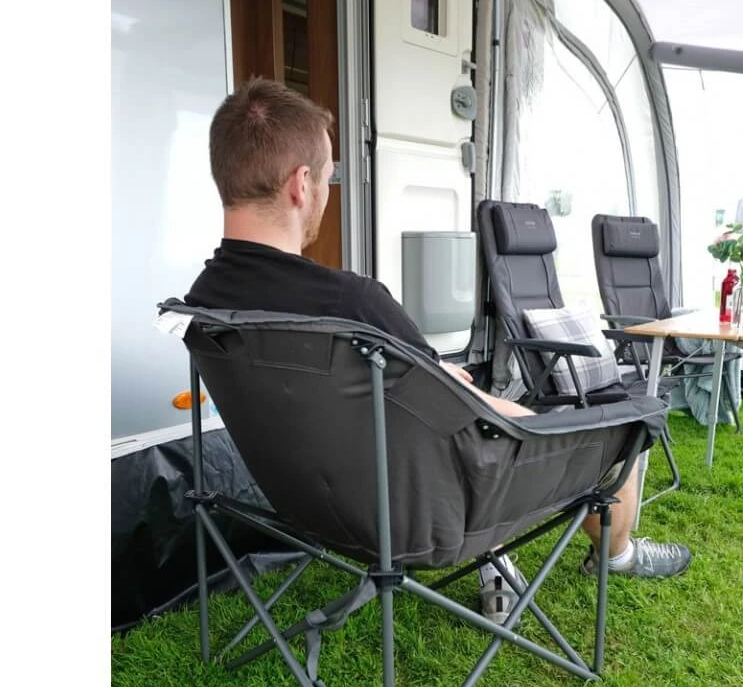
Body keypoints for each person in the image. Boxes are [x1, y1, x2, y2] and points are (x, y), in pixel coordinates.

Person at [185, 79, 691, 621]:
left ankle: (503, 560)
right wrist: (536, 421)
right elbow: (467, 415)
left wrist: (438, 377)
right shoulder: (352, 304)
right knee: (620, 426)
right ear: (301, 184)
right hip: (418, 519)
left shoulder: (203, 304)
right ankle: (618, 555)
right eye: (330, 176)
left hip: (305, 505)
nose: (329, 193)